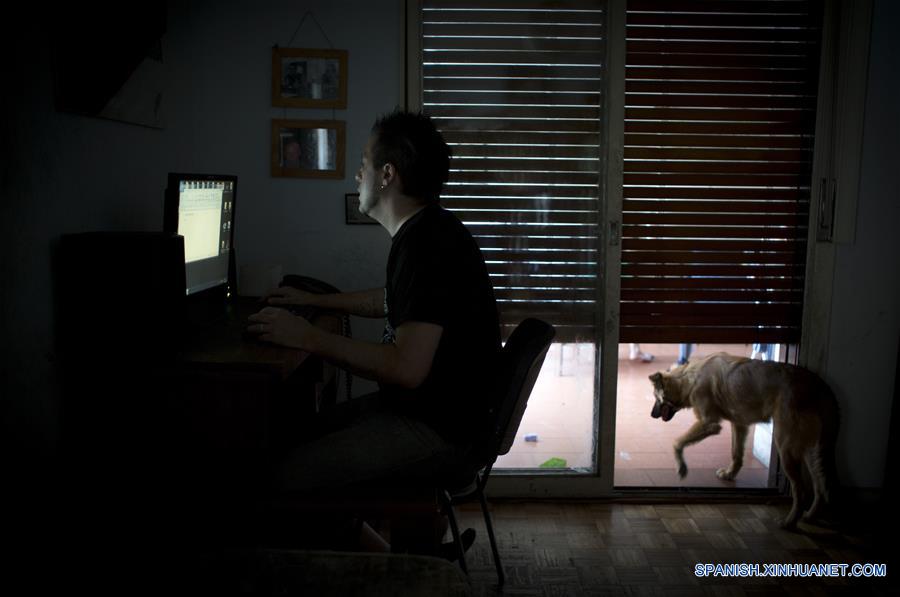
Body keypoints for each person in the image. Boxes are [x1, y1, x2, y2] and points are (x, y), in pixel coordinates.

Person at [247, 110, 500, 548]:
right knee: (303, 433)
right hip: (433, 415)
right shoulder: (428, 231)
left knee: (282, 473)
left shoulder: (425, 245)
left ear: (386, 175)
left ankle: (387, 566)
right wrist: (313, 301)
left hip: (440, 431)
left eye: (364, 160)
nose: (357, 172)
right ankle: (404, 558)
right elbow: (393, 301)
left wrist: (306, 336)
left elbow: (406, 368)